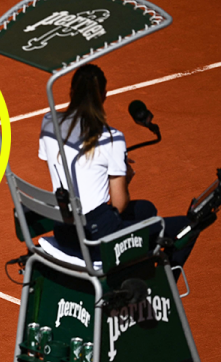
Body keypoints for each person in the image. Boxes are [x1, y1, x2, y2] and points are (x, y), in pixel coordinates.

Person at [40, 64, 199, 266]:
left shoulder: (48, 122)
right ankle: (160, 291)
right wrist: (124, 176)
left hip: (65, 231)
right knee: (186, 226)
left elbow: (64, 170)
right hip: (96, 241)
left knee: (146, 209)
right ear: (104, 95)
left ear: (71, 92)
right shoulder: (111, 138)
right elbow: (118, 205)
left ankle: (137, 271)